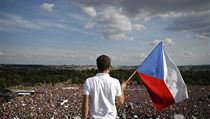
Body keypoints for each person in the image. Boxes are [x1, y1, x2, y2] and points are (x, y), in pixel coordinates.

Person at [82, 55, 127, 119]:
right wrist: (121, 89)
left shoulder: (89, 81)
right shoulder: (115, 82)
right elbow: (121, 102)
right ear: (109, 67)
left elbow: (85, 105)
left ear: (97, 67)